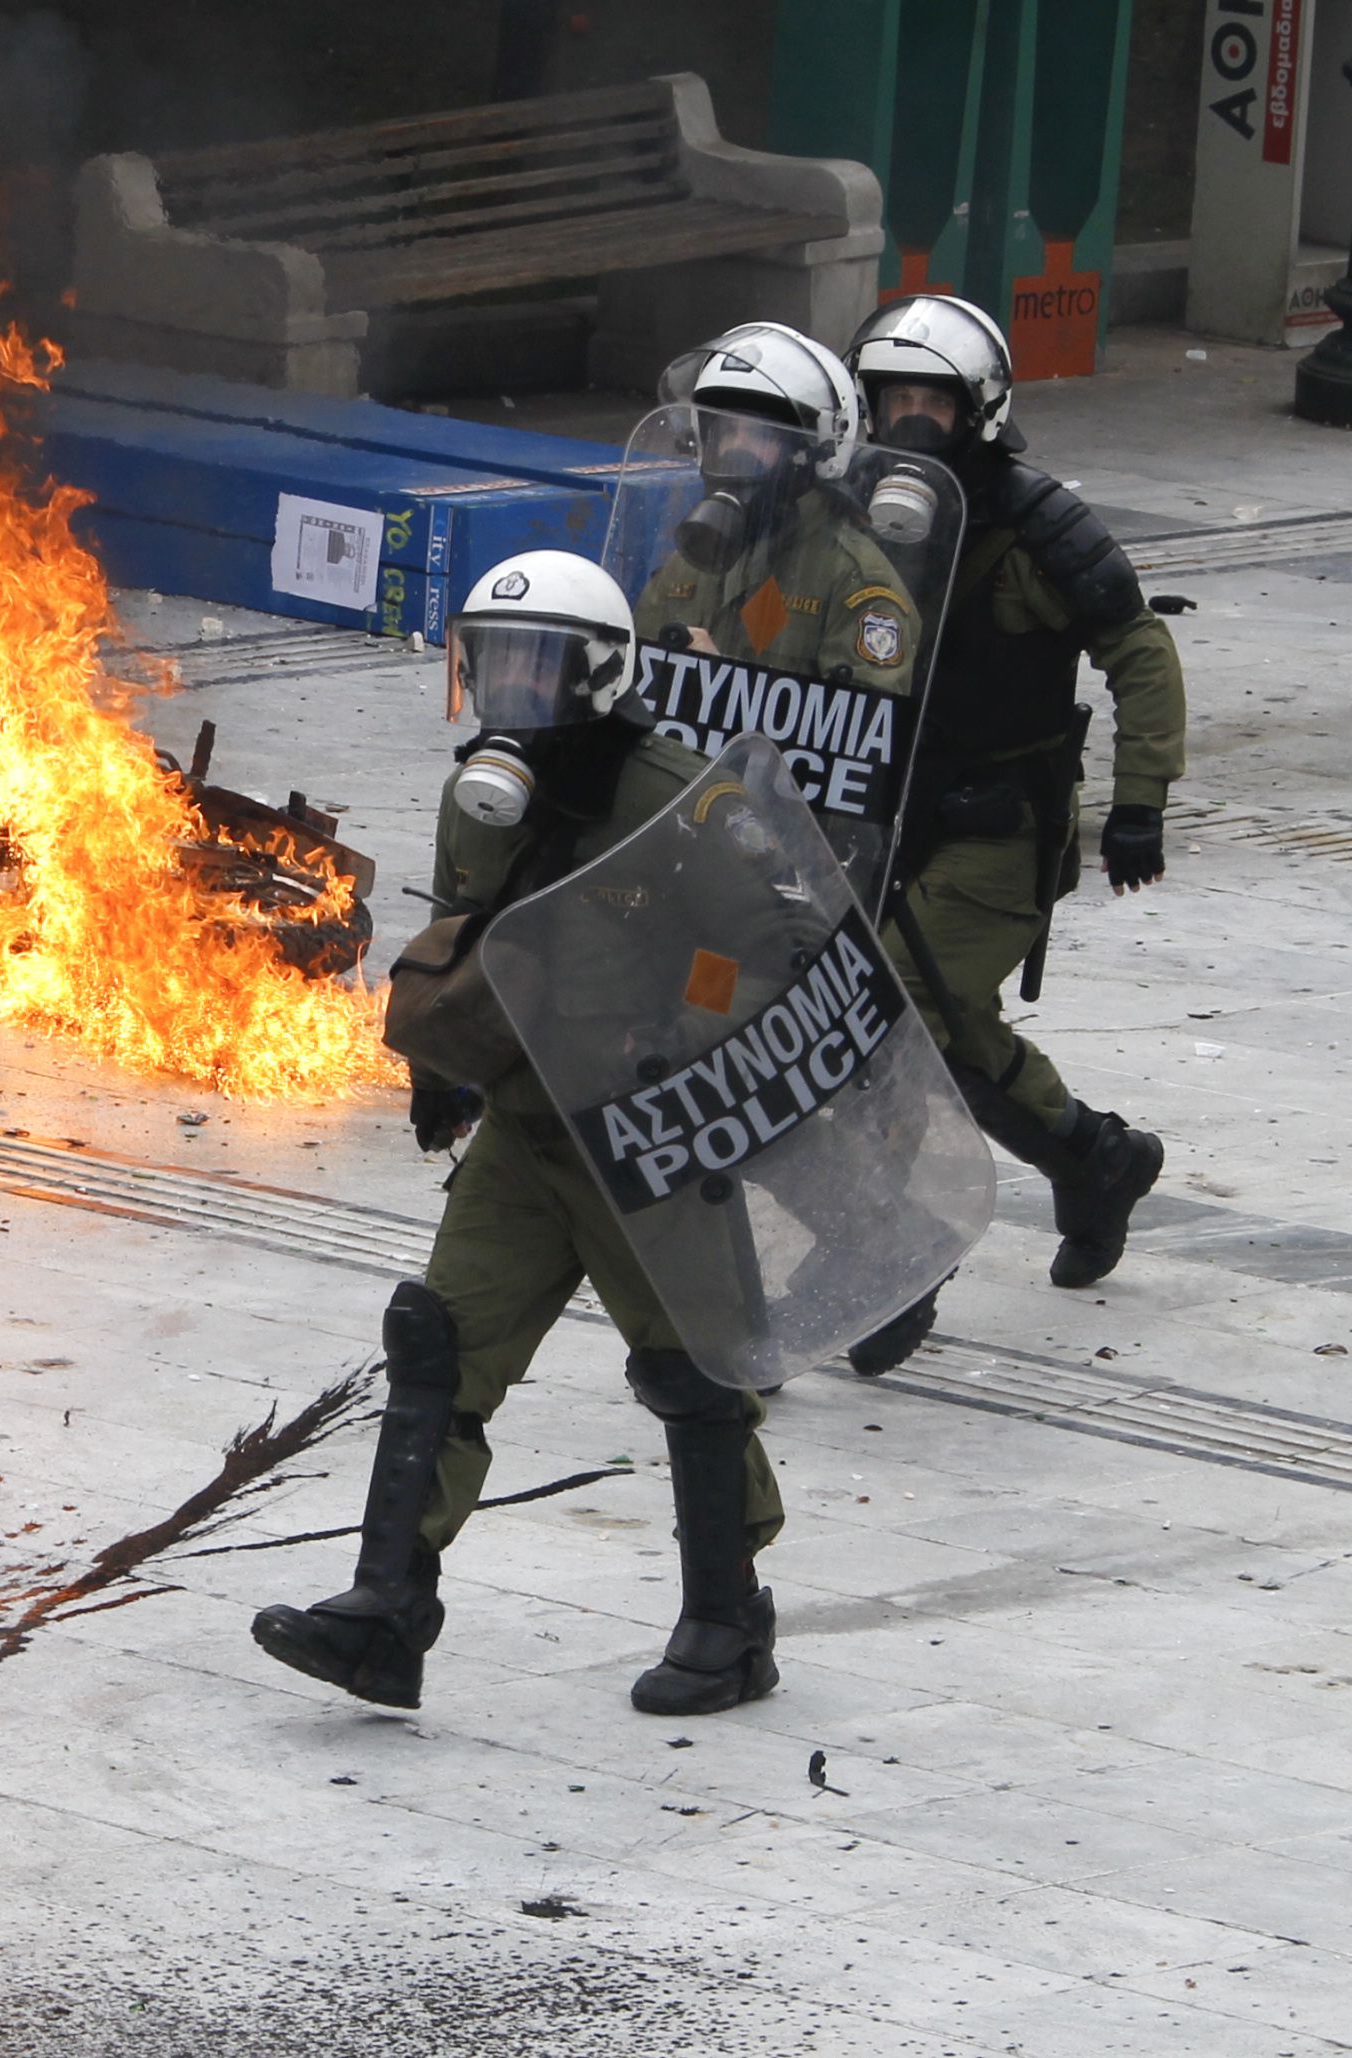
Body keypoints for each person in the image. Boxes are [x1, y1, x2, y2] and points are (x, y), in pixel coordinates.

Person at [252, 551, 786, 1719]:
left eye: (537, 669)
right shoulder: (479, 796)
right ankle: (387, 1613)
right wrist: (449, 1062)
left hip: (647, 1135)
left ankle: (727, 1618)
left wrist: (679, 1026)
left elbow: (774, 951)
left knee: (688, 1373)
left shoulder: (683, 800)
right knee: (438, 1342)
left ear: (598, 675)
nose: (511, 695)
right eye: (492, 666)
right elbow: (477, 928)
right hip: (530, 1128)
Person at [839, 295, 1185, 1374]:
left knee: (892, 1016)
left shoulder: (1037, 529)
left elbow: (1136, 648)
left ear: (977, 408)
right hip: (880, 818)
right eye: (890, 396)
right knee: (942, 1029)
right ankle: (1096, 1160)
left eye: (930, 399)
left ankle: (900, 1261)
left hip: (999, 829)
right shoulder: (842, 518)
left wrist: (1138, 804)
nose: (909, 420)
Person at [631, 320, 922, 694]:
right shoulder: (693, 557)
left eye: (760, 435)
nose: (737, 448)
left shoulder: (856, 583)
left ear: (813, 451)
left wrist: (722, 687)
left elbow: (867, 738)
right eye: (726, 431)